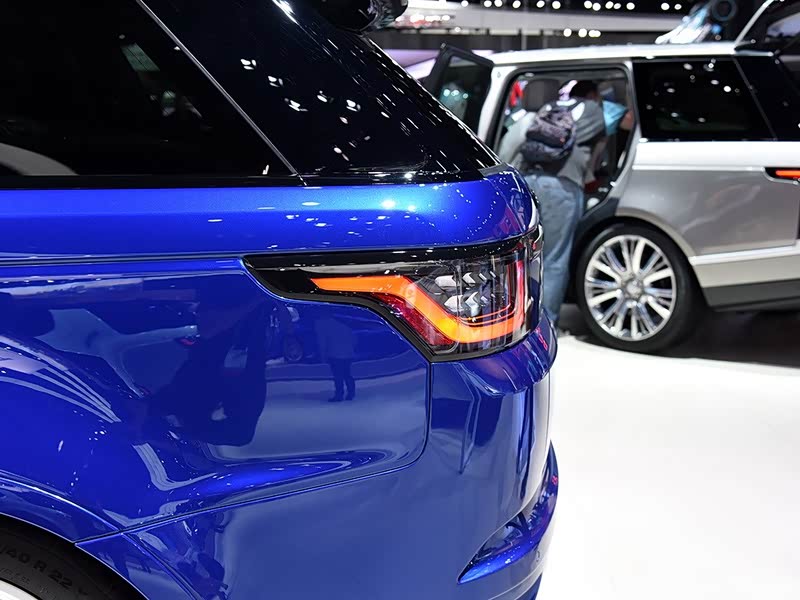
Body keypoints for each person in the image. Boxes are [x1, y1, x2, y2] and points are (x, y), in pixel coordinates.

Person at [524, 80, 606, 329]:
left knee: (528, 257)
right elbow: (600, 148)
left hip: (529, 181)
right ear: (593, 95)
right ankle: (546, 326)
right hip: (562, 186)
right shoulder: (593, 110)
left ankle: (523, 321)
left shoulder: (550, 106)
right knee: (555, 260)